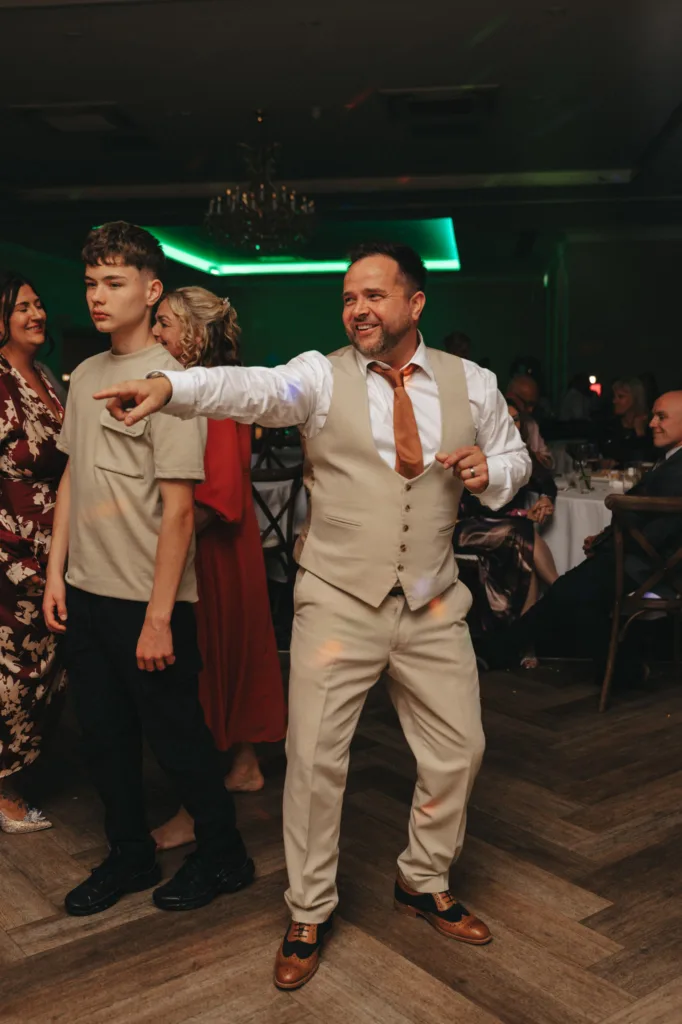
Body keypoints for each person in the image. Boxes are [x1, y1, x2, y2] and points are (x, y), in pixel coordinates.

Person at [95, 241, 531, 989]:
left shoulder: (476, 384)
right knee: (315, 763)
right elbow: (257, 390)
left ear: (415, 305)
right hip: (336, 602)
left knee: (460, 751)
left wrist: (495, 472)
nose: (357, 309)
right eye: (348, 298)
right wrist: (174, 387)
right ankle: (308, 907)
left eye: (374, 296)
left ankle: (423, 880)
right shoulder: (319, 378)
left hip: (430, 602)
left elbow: (515, 457)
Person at [42, 222, 253, 917]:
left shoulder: (174, 385)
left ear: (150, 288)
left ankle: (224, 857)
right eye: (90, 285)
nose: (97, 298)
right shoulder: (87, 376)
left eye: (114, 283)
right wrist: (55, 574)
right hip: (87, 592)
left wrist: (160, 618)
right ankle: (128, 854)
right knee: (103, 739)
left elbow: (181, 513)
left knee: (178, 741)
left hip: (149, 600)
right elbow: (72, 475)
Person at [149, 286, 286, 850]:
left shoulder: (215, 396)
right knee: (231, 657)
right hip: (227, 554)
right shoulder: (191, 389)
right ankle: (245, 765)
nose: (155, 334)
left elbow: (219, 497)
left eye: (164, 324)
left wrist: (156, 542)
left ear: (196, 335)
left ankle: (192, 808)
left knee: (202, 671)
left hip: (211, 557)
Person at [489, 390, 682, 681]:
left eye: (662, 417)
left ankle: (496, 651)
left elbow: (657, 531)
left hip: (657, 567)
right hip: (642, 558)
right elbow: (643, 519)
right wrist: (605, 539)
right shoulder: (670, 460)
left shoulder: (678, 468)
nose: (653, 423)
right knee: (574, 595)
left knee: (568, 592)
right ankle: (627, 671)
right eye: (654, 415)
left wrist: (608, 545)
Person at [0, 271, 67, 833]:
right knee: (14, 669)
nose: (36, 313)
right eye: (22, 306)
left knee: (48, 667)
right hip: (9, 545)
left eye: (39, 303)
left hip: (56, 542)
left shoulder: (43, 374)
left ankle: (27, 767)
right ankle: (3, 788)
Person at [455, 401, 559, 668]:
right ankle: (560, 589)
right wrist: (520, 516)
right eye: (505, 419)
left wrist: (546, 500)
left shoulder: (519, 453)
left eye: (516, 420)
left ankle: (525, 642)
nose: (512, 425)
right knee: (519, 531)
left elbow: (547, 483)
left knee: (523, 552)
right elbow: (467, 505)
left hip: (506, 530)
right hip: (465, 527)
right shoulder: (470, 452)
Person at [600, 377, 654, 466]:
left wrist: (640, 434)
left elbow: (646, 462)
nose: (614, 401)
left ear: (635, 398)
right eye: (614, 396)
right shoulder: (611, 425)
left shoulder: (652, 425)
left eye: (620, 396)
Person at [506, 373, 553, 467]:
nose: (530, 410)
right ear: (511, 397)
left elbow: (549, 461)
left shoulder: (531, 424)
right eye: (527, 404)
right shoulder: (493, 423)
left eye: (533, 405)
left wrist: (536, 458)